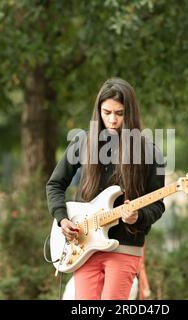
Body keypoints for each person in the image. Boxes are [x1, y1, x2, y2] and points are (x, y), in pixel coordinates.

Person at [46, 78, 165, 300]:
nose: (112, 119)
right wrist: (62, 219)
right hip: (84, 247)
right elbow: (55, 184)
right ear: (98, 110)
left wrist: (137, 216)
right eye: (106, 112)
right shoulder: (83, 142)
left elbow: (157, 205)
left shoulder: (149, 152)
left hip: (125, 247)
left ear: (130, 113)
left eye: (119, 114)